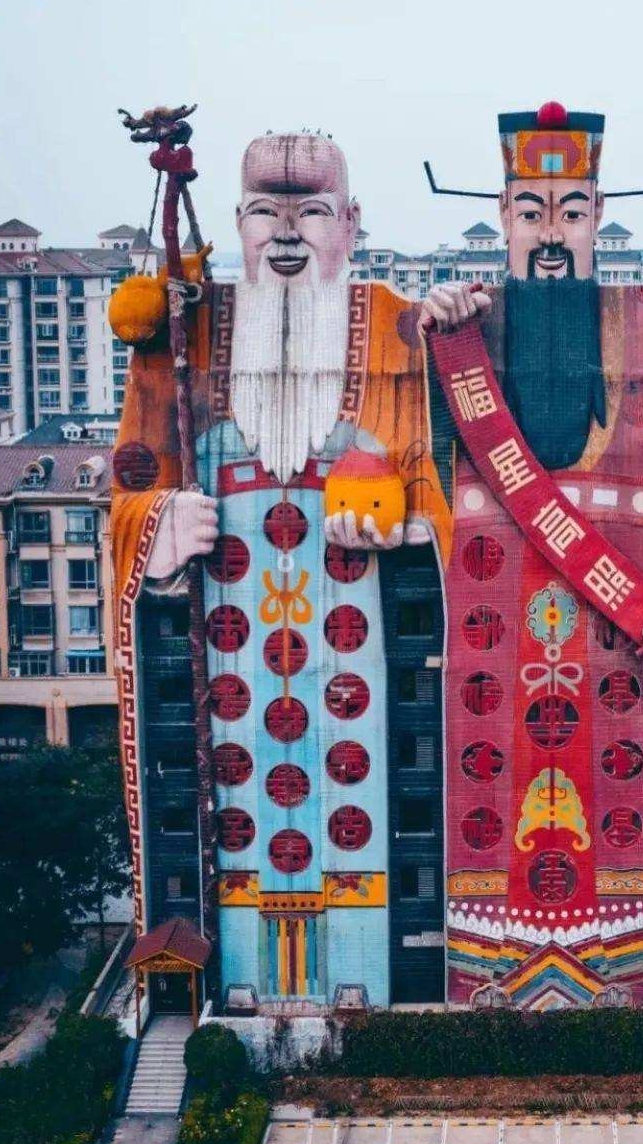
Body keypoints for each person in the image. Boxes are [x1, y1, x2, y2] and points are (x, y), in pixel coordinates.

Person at [418, 102, 643, 1007]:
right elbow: (412, 455)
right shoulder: (460, 330)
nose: (551, 236)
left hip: (618, 635)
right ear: (503, 216)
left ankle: (615, 990)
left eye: (570, 212)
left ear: (599, 215)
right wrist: (432, 333)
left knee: (620, 813)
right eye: (531, 212)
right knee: (490, 808)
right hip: (491, 631)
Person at [110, 133, 448, 1008]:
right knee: (234, 845)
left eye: (312, 211)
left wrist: (407, 521)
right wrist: (156, 526)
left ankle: (353, 988)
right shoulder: (181, 334)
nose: (288, 233)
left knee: (360, 839)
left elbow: (444, 491)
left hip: (361, 682)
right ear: (238, 224)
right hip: (232, 681)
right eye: (266, 212)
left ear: (351, 225)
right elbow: (128, 488)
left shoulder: (401, 330)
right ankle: (236, 992)